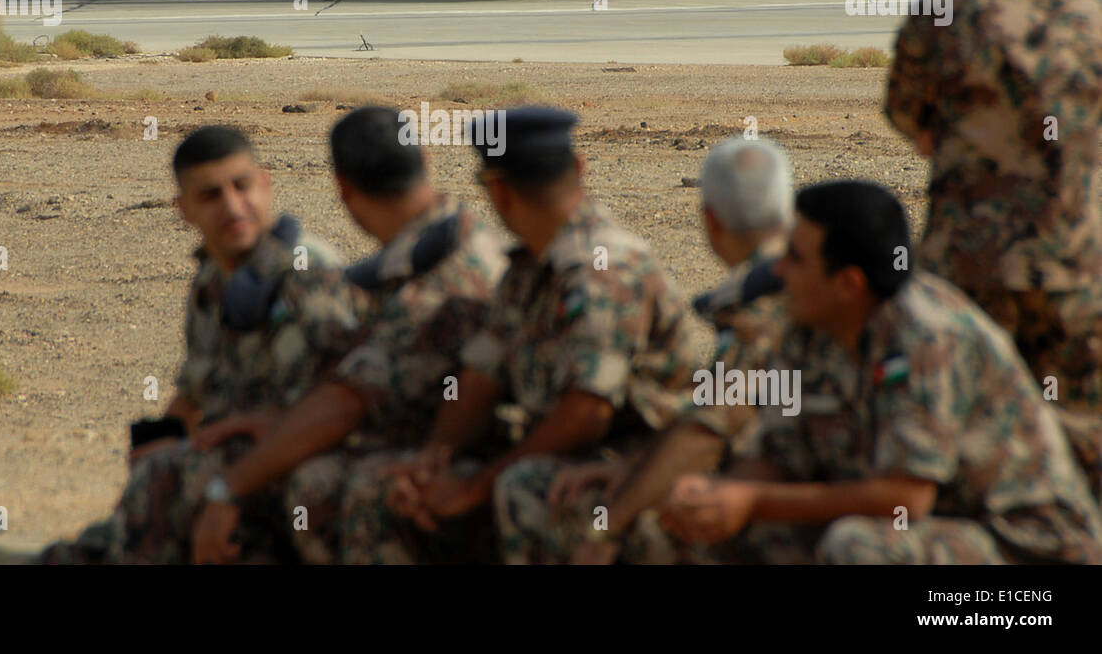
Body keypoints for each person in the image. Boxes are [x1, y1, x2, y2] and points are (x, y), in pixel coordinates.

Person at [661, 180, 1102, 564]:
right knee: (720, 532)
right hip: (930, 530)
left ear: (848, 284)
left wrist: (752, 500)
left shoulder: (928, 335)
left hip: (1023, 549)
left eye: (795, 258)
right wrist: (715, 497)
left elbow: (904, 499)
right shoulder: (809, 325)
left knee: (857, 548)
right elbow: (780, 456)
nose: (778, 270)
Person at [372, 106, 714, 564]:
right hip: (560, 450)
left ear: (498, 191)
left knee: (523, 486)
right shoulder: (529, 268)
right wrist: (437, 454)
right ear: (578, 168)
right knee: (393, 482)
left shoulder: (603, 270)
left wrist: (478, 485)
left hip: (639, 461)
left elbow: (587, 410)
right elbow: (480, 375)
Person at [189, 106, 508, 565]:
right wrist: (283, 421)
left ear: (343, 187)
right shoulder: (448, 238)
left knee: (322, 485)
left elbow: (347, 402)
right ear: (426, 158)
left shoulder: (433, 279)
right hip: (448, 440)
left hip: (481, 457)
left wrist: (228, 488)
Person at [41, 125, 364, 564]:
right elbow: (196, 394)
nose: (233, 207)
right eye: (211, 195)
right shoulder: (211, 283)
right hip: (238, 464)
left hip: (304, 466)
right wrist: (162, 440)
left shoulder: (309, 275)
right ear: (184, 210)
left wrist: (223, 488)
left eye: (242, 186)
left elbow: (339, 412)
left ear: (266, 185)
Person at [885, 0, 1102, 496]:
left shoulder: (942, 18)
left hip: (969, 273)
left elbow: (909, 119)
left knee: (965, 439)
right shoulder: (1087, 16)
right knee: (1084, 439)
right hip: (1075, 263)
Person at [563, 135, 795, 564]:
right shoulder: (801, 278)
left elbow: (705, 435)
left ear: (710, 220)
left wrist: (606, 528)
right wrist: (638, 465)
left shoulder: (760, 306)